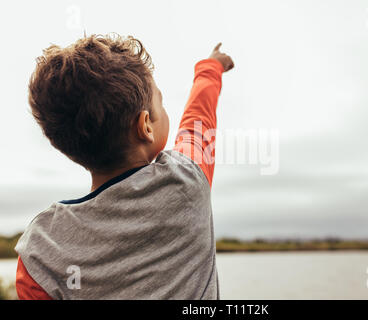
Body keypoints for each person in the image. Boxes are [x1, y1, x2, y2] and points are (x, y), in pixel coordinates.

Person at [14, 34, 234, 299]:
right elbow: (198, 122)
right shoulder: (187, 180)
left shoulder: (42, 248)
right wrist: (211, 68)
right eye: (160, 103)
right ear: (145, 126)